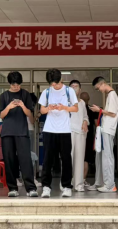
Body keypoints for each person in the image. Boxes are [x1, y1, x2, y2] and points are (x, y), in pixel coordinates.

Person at [39, 69, 79, 198]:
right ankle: (46, 187)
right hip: (49, 129)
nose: (54, 86)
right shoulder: (46, 92)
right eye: (51, 83)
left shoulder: (69, 91)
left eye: (55, 83)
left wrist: (64, 107)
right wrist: (48, 108)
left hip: (64, 129)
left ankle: (66, 186)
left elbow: (76, 108)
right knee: (47, 159)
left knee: (66, 158)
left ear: (60, 79)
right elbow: (42, 110)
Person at [0, 72, 38, 198]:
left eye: (18, 85)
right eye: (14, 85)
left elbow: (30, 114)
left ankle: (31, 188)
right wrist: (9, 107)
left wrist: (22, 106)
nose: (16, 87)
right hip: (7, 132)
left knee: (25, 160)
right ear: (10, 84)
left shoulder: (25, 94)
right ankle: (12, 188)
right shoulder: (4, 96)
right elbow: (1, 115)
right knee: (9, 160)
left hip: (22, 131)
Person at [88, 76, 118, 193]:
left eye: (98, 88)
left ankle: (110, 185)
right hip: (106, 129)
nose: (99, 90)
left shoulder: (112, 95)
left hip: (108, 129)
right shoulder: (111, 95)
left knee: (107, 157)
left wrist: (99, 110)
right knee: (104, 156)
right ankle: (105, 183)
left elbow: (113, 113)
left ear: (102, 84)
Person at [69, 80, 90, 192]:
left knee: (79, 159)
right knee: (68, 158)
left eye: (76, 86)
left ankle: (78, 184)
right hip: (69, 132)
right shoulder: (66, 102)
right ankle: (66, 184)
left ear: (80, 90)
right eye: (72, 86)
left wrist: (85, 122)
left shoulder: (82, 103)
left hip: (81, 133)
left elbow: (85, 116)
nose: (74, 88)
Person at [80, 91, 98, 187]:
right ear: (89, 99)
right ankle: (83, 180)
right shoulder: (92, 110)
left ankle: (76, 179)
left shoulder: (76, 109)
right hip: (89, 137)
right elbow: (96, 124)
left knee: (78, 158)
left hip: (78, 136)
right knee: (86, 159)